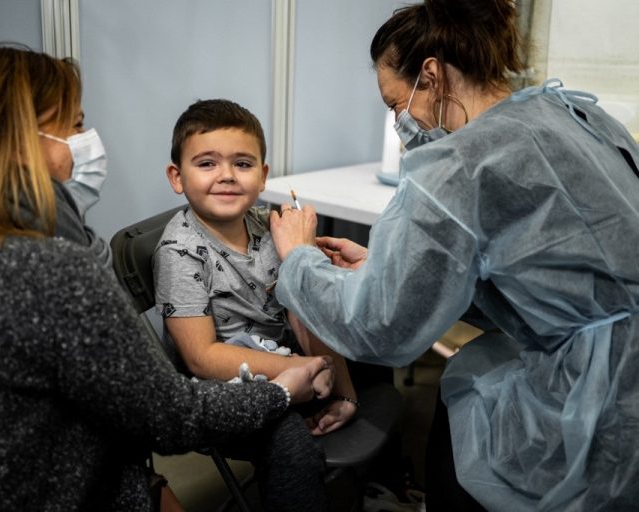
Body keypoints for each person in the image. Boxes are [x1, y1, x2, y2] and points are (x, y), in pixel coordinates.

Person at [0, 44, 331, 512]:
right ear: (18, 143)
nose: (86, 140)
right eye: (72, 126)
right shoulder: (44, 269)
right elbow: (168, 413)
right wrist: (277, 392)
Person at [267, 0, 639, 510]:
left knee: (465, 393)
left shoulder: (460, 165)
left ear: (432, 76)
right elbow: (540, 276)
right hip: (616, 349)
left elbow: (382, 328)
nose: (401, 123)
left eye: (397, 105)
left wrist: (297, 260)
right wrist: (385, 268)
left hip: (605, 394)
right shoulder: (572, 112)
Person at [153, 99, 359, 511]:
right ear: (177, 177)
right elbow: (201, 358)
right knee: (287, 440)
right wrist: (307, 371)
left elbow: (307, 308)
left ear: (263, 176)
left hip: (288, 360)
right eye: (207, 163)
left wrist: (344, 389)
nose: (227, 176)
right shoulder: (180, 252)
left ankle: (383, 484)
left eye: (243, 164)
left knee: (375, 349)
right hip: (225, 389)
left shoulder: (271, 226)